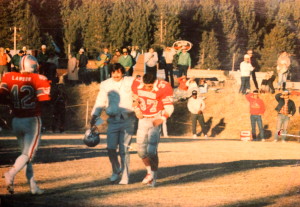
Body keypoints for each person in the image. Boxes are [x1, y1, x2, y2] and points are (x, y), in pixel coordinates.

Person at [0, 55, 51, 195]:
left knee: (25, 156)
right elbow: (44, 100)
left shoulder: (8, 76)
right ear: (34, 66)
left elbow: (2, 97)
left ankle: (33, 186)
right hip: (32, 120)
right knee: (27, 155)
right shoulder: (38, 79)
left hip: (16, 120)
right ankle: (11, 173)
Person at [90, 63, 135, 185]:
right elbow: (100, 100)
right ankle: (116, 170)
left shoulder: (131, 81)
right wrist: (94, 115)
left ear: (123, 72)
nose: (116, 75)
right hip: (113, 120)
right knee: (110, 148)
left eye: (118, 72)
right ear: (111, 73)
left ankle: (125, 176)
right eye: (114, 72)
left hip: (128, 120)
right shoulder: (105, 84)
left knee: (124, 150)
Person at [131, 73, 174, 187]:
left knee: (151, 150)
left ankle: (153, 176)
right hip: (143, 120)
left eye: (150, 86)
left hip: (155, 118)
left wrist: (162, 119)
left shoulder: (163, 87)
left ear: (155, 82)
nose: (147, 88)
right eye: (145, 85)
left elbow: (169, 107)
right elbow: (134, 100)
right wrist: (136, 110)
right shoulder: (137, 83)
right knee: (140, 151)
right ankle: (149, 172)